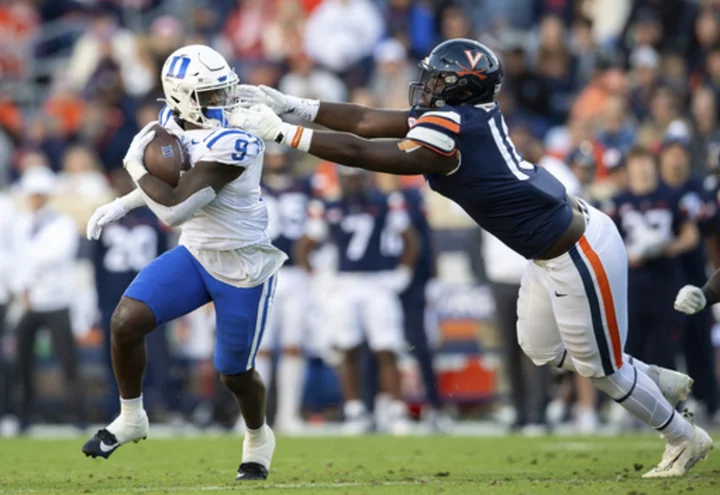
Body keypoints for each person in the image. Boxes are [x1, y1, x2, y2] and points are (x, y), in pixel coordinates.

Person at [231, 38, 712, 477]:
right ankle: (642, 375)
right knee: (540, 347)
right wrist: (293, 107)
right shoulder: (463, 116)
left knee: (601, 370)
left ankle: (681, 436)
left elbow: (367, 152)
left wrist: (285, 135)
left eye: (439, 78)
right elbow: (363, 119)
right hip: (552, 251)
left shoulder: (452, 132)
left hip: (578, 250)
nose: (429, 85)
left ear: (463, 86)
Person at [81, 45, 286, 481]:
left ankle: (257, 436)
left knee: (234, 373)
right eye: (211, 94)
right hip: (195, 254)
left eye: (222, 89)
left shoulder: (240, 136)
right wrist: (124, 202)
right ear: (181, 98)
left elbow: (176, 207)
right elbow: (172, 180)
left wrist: (134, 168)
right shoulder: (172, 125)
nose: (223, 101)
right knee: (125, 320)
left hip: (242, 264)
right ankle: (132, 416)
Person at [294, 166, 419, 435]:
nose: (353, 183)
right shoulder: (327, 205)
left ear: (367, 177)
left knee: (386, 348)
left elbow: (410, 240)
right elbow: (304, 246)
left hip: (378, 282)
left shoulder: (388, 202)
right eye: (349, 177)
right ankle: (354, 411)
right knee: (347, 348)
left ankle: (395, 410)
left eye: (358, 177)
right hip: (345, 283)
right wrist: (317, 279)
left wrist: (403, 272)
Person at [91, 168, 177, 423]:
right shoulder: (105, 218)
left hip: (149, 298)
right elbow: (98, 266)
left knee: (156, 354)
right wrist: (101, 301)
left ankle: (158, 405)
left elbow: (165, 259)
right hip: (114, 296)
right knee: (114, 354)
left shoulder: (154, 217)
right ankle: (115, 406)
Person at [605, 147, 699, 372]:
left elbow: (691, 235)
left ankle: (670, 404)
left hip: (665, 283)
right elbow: (607, 242)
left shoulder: (671, 196)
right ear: (628, 168)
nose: (641, 168)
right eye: (636, 162)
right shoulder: (618, 201)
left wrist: (670, 247)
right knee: (631, 350)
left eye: (645, 161)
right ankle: (632, 404)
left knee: (665, 350)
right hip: (632, 286)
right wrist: (626, 255)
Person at [9, 166, 86, 431]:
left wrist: (28, 269)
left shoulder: (61, 223)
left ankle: (79, 416)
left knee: (68, 362)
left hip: (56, 299)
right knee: (22, 361)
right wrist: (23, 288)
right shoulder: (21, 224)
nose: (34, 199)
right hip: (29, 300)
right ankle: (23, 417)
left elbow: (56, 255)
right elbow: (16, 260)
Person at [659, 136, 720, 422]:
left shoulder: (701, 188)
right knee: (663, 346)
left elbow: (708, 229)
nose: (676, 158)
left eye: (681, 153)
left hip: (696, 270)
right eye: (671, 152)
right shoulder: (655, 191)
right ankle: (665, 406)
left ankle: (710, 401)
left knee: (700, 345)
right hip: (662, 278)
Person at [256, 144, 313, 434]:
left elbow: (318, 228)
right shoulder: (252, 187)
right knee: (260, 349)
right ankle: (255, 418)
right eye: (273, 155)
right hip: (262, 272)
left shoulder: (306, 188)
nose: (277, 160)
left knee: (293, 346)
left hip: (296, 272)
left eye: (281, 155)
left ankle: (289, 416)